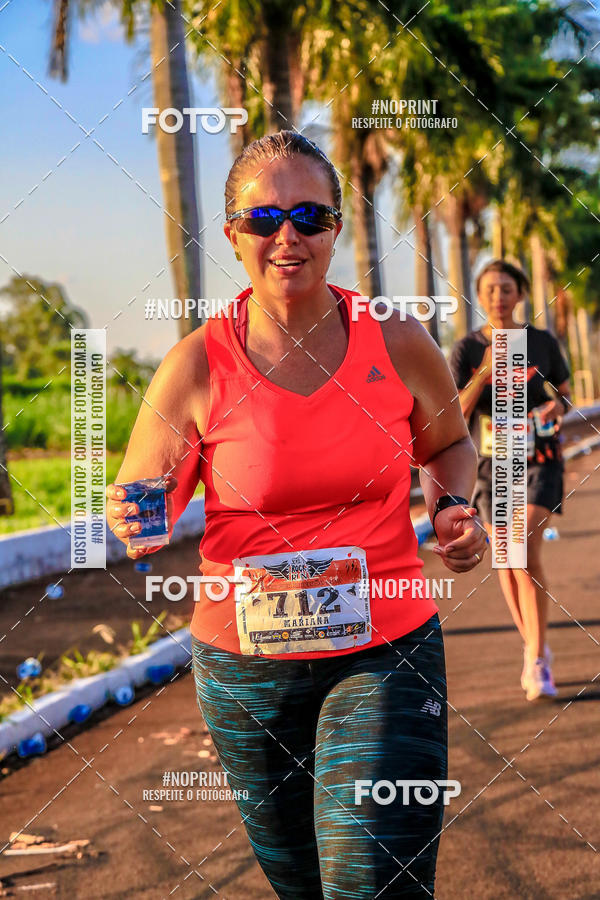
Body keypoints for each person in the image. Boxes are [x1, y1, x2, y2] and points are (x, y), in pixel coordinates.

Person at [106, 130, 487, 899]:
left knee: (373, 884)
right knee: (304, 888)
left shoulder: (397, 336)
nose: (289, 237)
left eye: (310, 216)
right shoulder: (194, 365)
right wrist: (137, 516)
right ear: (232, 235)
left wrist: (452, 506)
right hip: (246, 672)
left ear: (337, 230)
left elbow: (447, 444)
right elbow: (147, 492)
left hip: (386, 651)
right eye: (265, 218)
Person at [449, 260, 571, 701]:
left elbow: (563, 392)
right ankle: (534, 647)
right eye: (489, 289)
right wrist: (483, 372)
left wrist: (556, 408)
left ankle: (536, 659)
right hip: (494, 463)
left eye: (506, 288)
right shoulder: (466, 350)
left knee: (521, 547)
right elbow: (455, 414)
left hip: (539, 458)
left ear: (520, 294)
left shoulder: (541, 342)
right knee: (506, 559)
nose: (498, 296)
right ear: (479, 296)